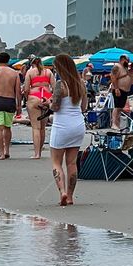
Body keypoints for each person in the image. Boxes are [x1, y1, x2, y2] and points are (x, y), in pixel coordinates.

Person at [49, 53, 88, 207]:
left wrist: (48, 104)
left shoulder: (60, 85)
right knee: (72, 163)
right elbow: (84, 107)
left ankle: (62, 192)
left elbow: (56, 107)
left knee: (56, 162)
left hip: (62, 125)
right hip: (78, 125)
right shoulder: (81, 84)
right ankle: (71, 197)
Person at [23, 57, 53, 160]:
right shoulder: (48, 72)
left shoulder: (30, 72)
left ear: (31, 63)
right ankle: (40, 151)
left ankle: (37, 154)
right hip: (46, 97)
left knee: (36, 127)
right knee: (42, 128)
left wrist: (27, 98)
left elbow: (26, 89)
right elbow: (54, 86)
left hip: (34, 97)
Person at [109, 55, 133, 131]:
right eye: (127, 61)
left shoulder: (124, 68)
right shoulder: (117, 67)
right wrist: (116, 88)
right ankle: (114, 123)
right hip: (118, 89)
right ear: (123, 59)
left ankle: (118, 124)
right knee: (117, 107)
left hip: (124, 91)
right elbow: (113, 77)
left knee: (120, 108)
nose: (128, 62)